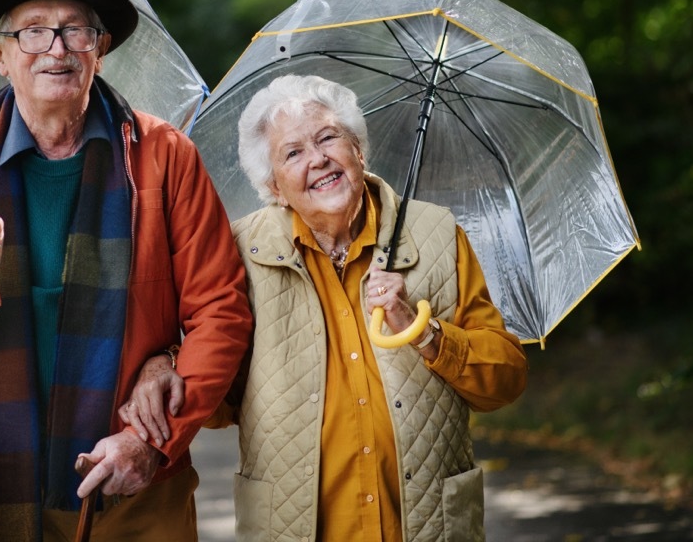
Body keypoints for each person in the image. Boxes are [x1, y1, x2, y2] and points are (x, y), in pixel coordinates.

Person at [0, 0, 253, 542]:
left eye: (74, 28)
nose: (56, 48)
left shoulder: (163, 156)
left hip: (138, 491)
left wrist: (149, 440)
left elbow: (221, 311)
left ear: (99, 47)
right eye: (32, 32)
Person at [123, 74, 527, 541]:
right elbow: (216, 402)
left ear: (359, 149)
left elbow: (505, 381)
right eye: (292, 153)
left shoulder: (436, 233)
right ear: (273, 185)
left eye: (328, 137)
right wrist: (166, 362)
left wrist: (424, 330)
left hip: (426, 527)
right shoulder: (238, 253)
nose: (318, 160)